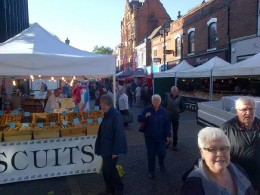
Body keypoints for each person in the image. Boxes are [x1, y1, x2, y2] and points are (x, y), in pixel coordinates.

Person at [181, 127, 255, 195]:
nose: (220, 154)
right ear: (202, 153)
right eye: (212, 149)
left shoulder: (239, 170)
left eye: (224, 148)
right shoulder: (193, 186)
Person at [221, 96, 260, 193]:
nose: (248, 112)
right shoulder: (227, 128)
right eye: (244, 109)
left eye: (251, 109)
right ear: (236, 111)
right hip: (238, 180)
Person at [95, 94, 127, 195]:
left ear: (105, 103)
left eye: (101, 102)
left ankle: (119, 187)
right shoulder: (107, 113)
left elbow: (119, 133)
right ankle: (109, 189)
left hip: (111, 149)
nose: (100, 104)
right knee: (105, 170)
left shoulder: (115, 114)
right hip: (105, 147)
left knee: (111, 170)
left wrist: (115, 151)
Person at [138, 94, 171, 179]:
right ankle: (151, 171)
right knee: (151, 154)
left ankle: (161, 164)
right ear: (152, 101)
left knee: (161, 153)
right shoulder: (146, 110)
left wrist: (168, 136)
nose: (156, 102)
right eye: (154, 100)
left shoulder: (164, 111)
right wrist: (145, 116)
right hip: (149, 137)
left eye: (158, 100)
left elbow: (167, 124)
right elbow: (139, 119)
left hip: (161, 137)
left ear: (160, 102)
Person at [162, 86, 185, 151]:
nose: (175, 91)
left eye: (176, 90)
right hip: (167, 117)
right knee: (167, 131)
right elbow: (163, 104)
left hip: (176, 117)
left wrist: (179, 111)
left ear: (177, 91)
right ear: (171, 91)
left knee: (175, 132)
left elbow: (183, 106)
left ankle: (175, 145)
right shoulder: (167, 97)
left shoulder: (180, 98)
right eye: (173, 90)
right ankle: (167, 142)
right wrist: (165, 111)